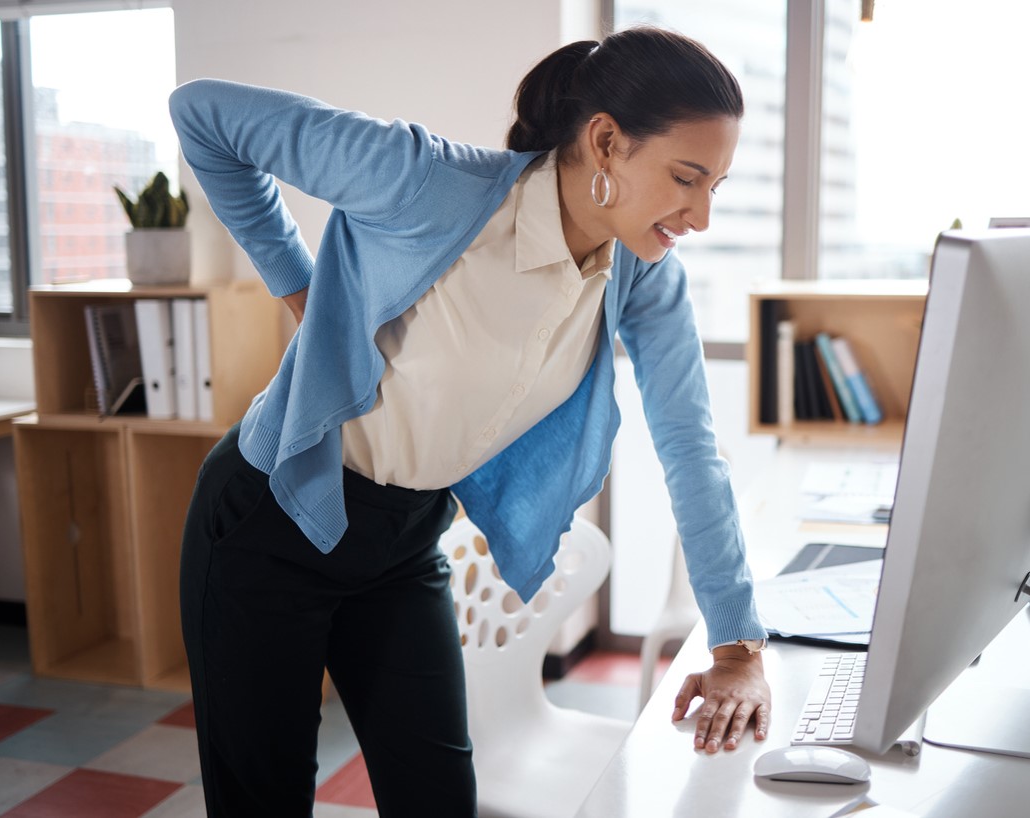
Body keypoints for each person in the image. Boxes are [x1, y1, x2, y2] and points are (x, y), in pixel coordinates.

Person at [171, 24, 771, 818]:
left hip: (403, 540)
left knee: (439, 801)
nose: (697, 215)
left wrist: (736, 648)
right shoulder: (428, 181)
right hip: (269, 523)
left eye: (713, 188)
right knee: (266, 801)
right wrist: (297, 287)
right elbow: (202, 113)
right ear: (605, 143)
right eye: (684, 178)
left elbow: (691, 448)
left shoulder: (643, 278)